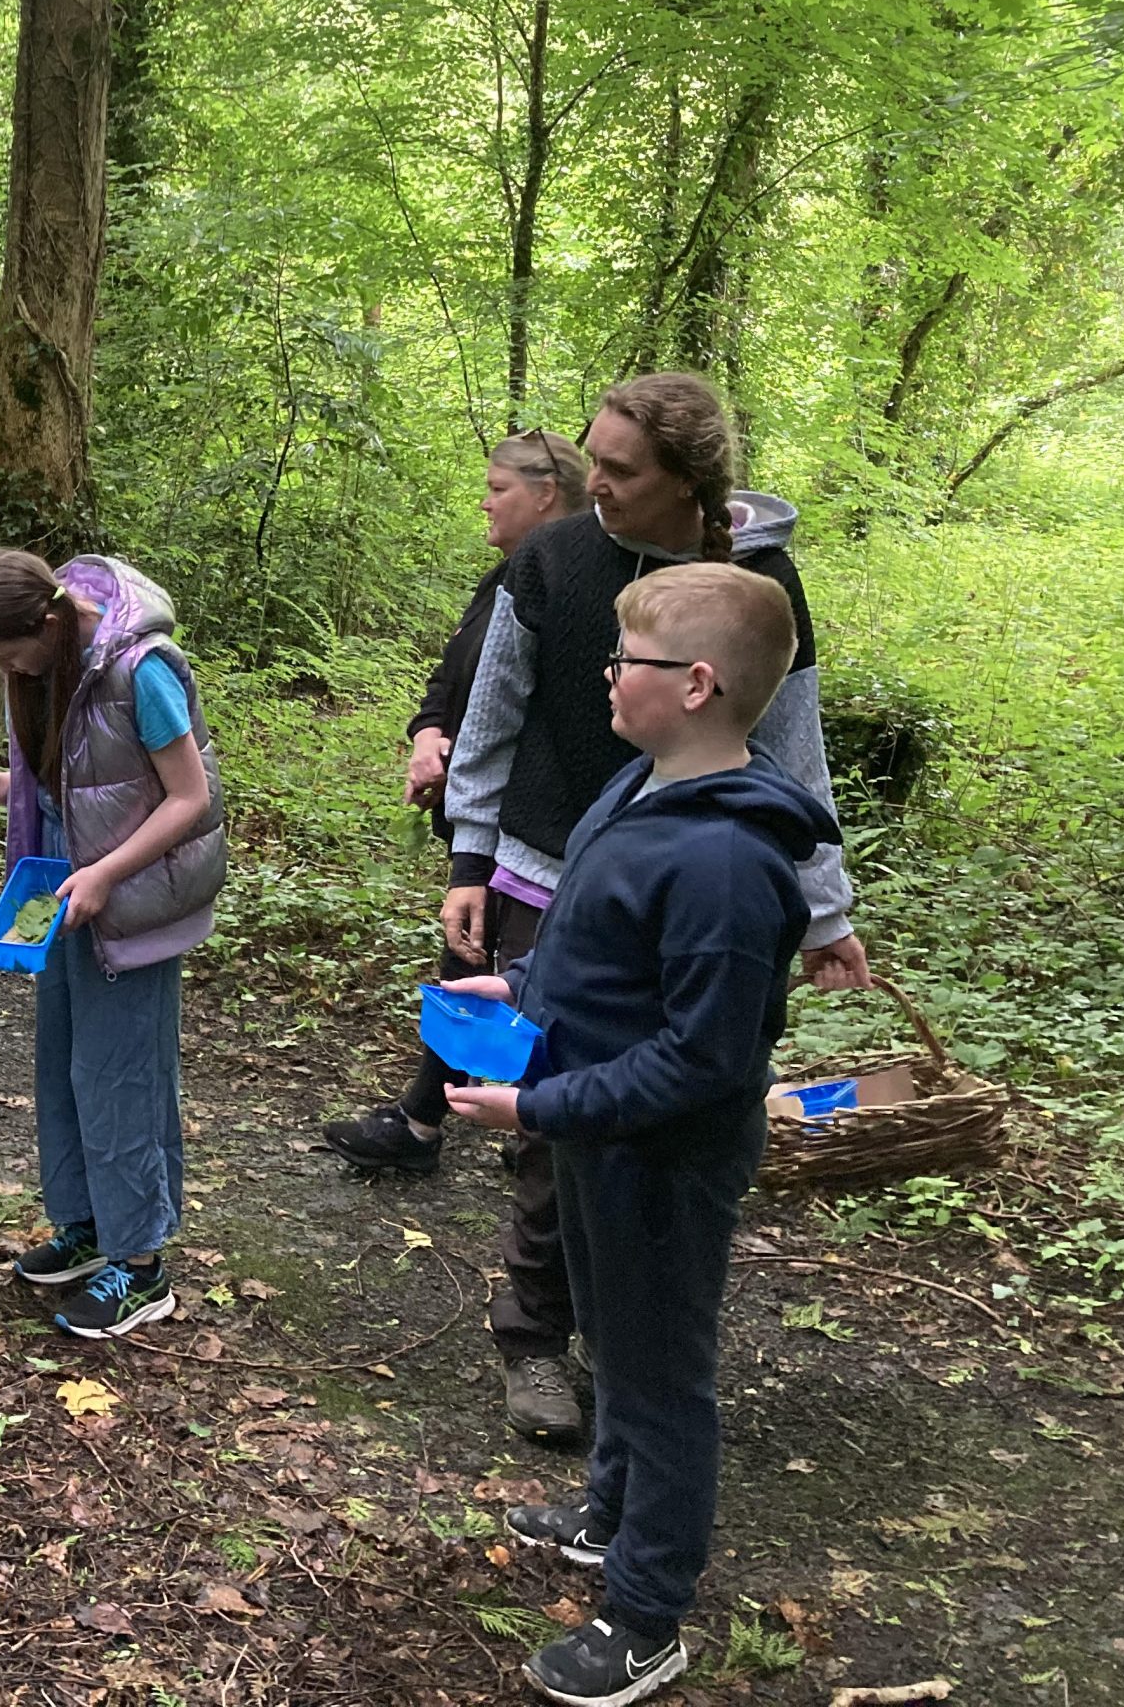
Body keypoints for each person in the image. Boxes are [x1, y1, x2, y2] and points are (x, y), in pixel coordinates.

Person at [435, 372, 869, 1446]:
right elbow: (490, 717)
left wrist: (824, 908)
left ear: (689, 481)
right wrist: (469, 859)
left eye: (622, 471)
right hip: (551, 867)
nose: (599, 488)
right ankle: (534, 1335)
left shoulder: (758, 581)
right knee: (553, 1109)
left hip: (696, 880)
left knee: (657, 1104)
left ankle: (632, 1357)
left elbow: (792, 749)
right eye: (594, 461)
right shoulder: (552, 559)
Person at [441, 564, 838, 1707]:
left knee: (661, 1380)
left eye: (629, 662)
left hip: (660, 1157)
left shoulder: (725, 860)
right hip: (596, 1134)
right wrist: (517, 991)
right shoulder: (641, 787)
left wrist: (538, 1106)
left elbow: (703, 1057)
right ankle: (606, 1516)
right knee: (609, 1340)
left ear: (699, 684)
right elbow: (599, 954)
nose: (609, 675)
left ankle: (645, 1613)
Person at [0, 550, 226, 1339]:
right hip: (64, 896)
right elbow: (67, 788)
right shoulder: (48, 669)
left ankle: (142, 1264)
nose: (7, 670)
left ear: (50, 623)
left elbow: (190, 798)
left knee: (123, 1076)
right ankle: (89, 1228)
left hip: (129, 903)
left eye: (8, 654)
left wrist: (105, 872)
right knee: (67, 1067)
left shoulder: (141, 673)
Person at [325, 428, 590, 1175]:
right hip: (481, 819)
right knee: (468, 953)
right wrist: (430, 733)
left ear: (544, 495)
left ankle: (531, 1125)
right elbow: (454, 676)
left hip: (534, 825)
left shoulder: (577, 583)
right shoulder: (503, 578)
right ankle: (424, 1121)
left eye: (497, 489)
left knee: (535, 967)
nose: (484, 501)